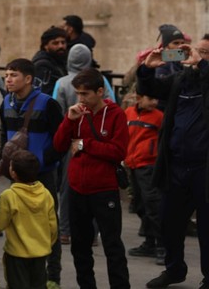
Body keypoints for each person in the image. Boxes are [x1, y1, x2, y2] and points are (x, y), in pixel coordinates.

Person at [52, 68, 129, 289]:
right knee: (80, 247)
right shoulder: (77, 113)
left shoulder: (116, 114)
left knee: (112, 246)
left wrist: (85, 144)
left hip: (104, 190)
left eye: (85, 93)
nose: (81, 98)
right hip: (77, 189)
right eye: (78, 93)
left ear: (100, 91)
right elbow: (58, 145)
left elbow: (118, 151)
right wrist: (69, 120)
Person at [0, 58, 65, 287]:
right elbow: (3, 133)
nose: (8, 79)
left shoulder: (47, 103)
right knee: (17, 220)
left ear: (28, 79)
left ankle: (53, 275)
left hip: (42, 174)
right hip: (16, 173)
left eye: (13, 75)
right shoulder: (6, 102)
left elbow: (60, 139)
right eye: (7, 75)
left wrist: (43, 160)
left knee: (48, 222)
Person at [0, 152, 58, 289]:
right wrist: (46, 243)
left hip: (17, 254)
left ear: (13, 173)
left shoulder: (9, 196)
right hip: (40, 253)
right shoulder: (45, 194)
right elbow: (53, 227)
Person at [125, 88, 164, 259]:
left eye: (156, 99)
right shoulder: (128, 113)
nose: (155, 102)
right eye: (151, 98)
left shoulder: (159, 117)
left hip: (149, 166)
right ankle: (150, 242)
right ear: (139, 98)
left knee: (153, 204)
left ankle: (162, 245)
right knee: (140, 205)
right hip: (133, 165)